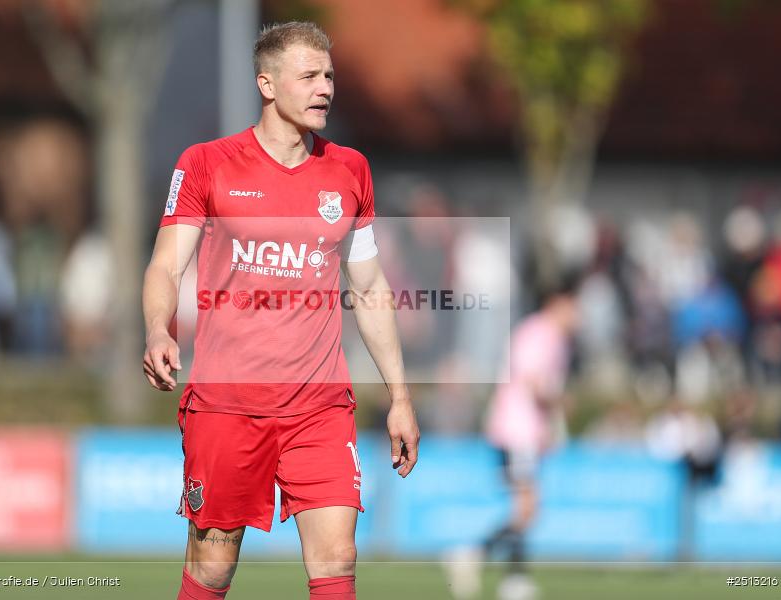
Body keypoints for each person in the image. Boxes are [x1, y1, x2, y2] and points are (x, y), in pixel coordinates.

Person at [142, 21, 419, 600]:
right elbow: (167, 265)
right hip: (227, 402)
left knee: (337, 555)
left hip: (319, 405)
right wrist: (156, 330)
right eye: (310, 76)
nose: (326, 89)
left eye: (330, 76)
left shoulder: (350, 170)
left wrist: (399, 397)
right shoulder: (206, 163)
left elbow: (368, 287)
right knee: (213, 567)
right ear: (267, 84)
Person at [446, 279, 578, 600]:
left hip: (524, 431)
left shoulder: (552, 337)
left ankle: (510, 575)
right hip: (517, 430)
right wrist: (559, 404)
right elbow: (534, 383)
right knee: (527, 506)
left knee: (525, 505)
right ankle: (477, 557)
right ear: (557, 302)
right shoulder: (539, 334)